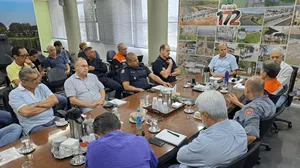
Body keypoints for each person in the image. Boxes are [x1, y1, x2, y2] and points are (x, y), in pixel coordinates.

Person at [170, 90, 247, 168]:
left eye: (201, 114)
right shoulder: (239, 127)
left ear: (206, 115)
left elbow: (180, 156)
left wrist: (194, 143)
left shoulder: (204, 143)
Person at [86, 112, 158, 168]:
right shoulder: (141, 141)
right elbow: (154, 164)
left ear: (97, 135)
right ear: (121, 126)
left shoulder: (92, 148)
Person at [9, 68, 60, 135]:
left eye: (37, 78)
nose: (38, 81)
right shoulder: (14, 94)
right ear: (24, 82)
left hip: (52, 119)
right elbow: (26, 112)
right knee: (52, 136)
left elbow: (55, 100)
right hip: (34, 126)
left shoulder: (41, 86)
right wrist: (48, 105)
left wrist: (36, 105)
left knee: (69, 128)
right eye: (34, 80)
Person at [230, 76, 276, 144]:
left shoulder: (252, 109)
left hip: (234, 137)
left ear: (247, 90)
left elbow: (251, 136)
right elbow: (254, 111)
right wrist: (238, 103)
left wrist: (232, 148)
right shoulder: (270, 103)